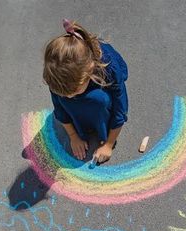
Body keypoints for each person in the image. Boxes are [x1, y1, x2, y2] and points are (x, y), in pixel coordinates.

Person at [43, 19, 128, 164]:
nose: (69, 96)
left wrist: (108, 144)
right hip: (85, 80)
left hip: (101, 83)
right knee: (67, 99)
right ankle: (84, 122)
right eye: (65, 94)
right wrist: (73, 136)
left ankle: (100, 123)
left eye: (74, 91)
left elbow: (121, 109)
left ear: (89, 71)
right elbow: (59, 109)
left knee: (99, 100)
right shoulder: (58, 77)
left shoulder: (110, 68)